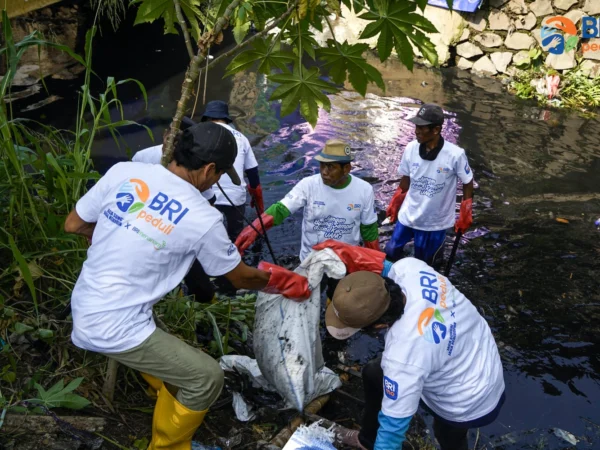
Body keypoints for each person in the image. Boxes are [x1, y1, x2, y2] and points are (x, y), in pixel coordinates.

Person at [64, 121, 310, 450]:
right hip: (112, 325)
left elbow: (74, 223)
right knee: (206, 378)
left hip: (86, 300)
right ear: (209, 169)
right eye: (222, 173)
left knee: (170, 352)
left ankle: (165, 397)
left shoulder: (126, 171)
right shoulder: (201, 217)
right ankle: (166, 446)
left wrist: (114, 235)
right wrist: (282, 281)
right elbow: (237, 277)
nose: (219, 180)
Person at [313, 240, 505, 450]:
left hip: (470, 398)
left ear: (379, 325)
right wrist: (349, 254)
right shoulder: (410, 268)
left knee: (447, 434)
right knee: (373, 373)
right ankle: (366, 440)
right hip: (475, 348)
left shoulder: (403, 356)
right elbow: (385, 266)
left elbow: (392, 431)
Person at [235, 139, 379, 263]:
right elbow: (281, 209)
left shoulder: (364, 190)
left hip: (346, 261)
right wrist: (253, 229)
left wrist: (375, 263)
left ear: (346, 168)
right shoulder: (308, 185)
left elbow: (369, 232)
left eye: (331, 166)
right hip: (311, 260)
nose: (324, 171)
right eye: (322, 164)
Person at [132, 117, 218, 303]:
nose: (170, 142)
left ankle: (201, 302)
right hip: (146, 229)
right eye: (169, 136)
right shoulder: (143, 157)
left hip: (179, 233)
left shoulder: (194, 167)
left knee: (199, 283)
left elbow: (209, 202)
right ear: (165, 135)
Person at [384, 103, 474, 265]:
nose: (416, 131)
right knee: (391, 254)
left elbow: (467, 182)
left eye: (422, 127)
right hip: (408, 216)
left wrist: (465, 210)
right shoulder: (411, 148)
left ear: (436, 130)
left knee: (427, 264)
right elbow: (406, 178)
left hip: (435, 222)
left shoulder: (455, 155)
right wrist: (396, 200)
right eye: (416, 126)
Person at [200, 100, 264, 240]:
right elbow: (252, 172)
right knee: (236, 237)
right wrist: (256, 196)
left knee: (208, 236)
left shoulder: (200, 135)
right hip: (235, 197)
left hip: (207, 197)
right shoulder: (241, 138)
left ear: (207, 118)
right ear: (226, 119)